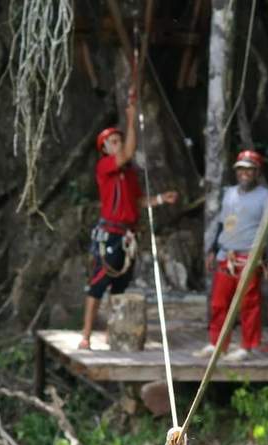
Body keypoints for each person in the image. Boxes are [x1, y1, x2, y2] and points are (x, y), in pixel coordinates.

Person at [79, 88, 180, 350]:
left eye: (118, 140)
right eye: (112, 141)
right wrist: (132, 118)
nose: (117, 144)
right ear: (104, 149)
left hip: (128, 235)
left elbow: (137, 202)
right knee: (97, 284)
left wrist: (161, 199)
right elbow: (127, 152)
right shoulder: (105, 167)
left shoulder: (130, 174)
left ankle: (113, 332)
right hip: (110, 234)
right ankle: (86, 335)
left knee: (120, 287)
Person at [199, 149, 268, 362]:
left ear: (257, 172)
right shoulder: (229, 193)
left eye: (249, 169)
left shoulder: (265, 197)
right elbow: (223, 224)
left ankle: (247, 346)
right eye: (241, 169)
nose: (244, 173)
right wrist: (213, 249)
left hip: (249, 257)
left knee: (248, 303)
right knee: (219, 303)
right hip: (226, 255)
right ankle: (217, 343)